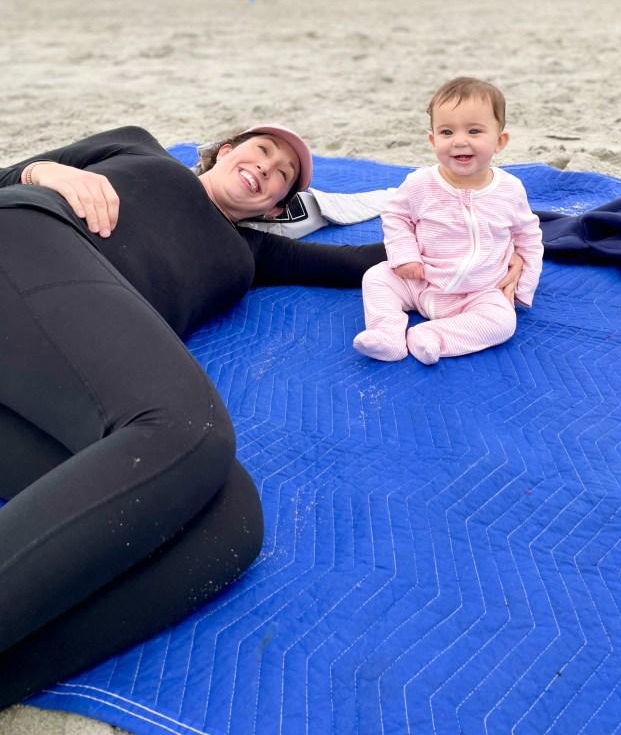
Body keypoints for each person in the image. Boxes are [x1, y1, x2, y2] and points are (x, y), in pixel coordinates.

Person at [0, 121, 525, 707]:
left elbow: (365, 261)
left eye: (283, 177)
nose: (267, 169)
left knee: (229, 525)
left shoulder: (250, 254)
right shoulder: (140, 149)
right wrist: (41, 171)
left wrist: (503, 250)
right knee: (185, 430)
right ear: (225, 152)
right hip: (28, 241)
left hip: (38, 369)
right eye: (263, 151)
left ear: (276, 208)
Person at [354, 77, 543, 365]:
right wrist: (404, 255)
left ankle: (433, 335)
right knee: (377, 277)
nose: (459, 140)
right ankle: (387, 333)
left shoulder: (510, 189)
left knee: (503, 322)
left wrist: (523, 287)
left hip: (478, 291)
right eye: (446, 131)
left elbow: (528, 237)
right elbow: (395, 216)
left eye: (474, 131)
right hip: (421, 280)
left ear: (500, 141)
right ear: (433, 140)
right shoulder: (420, 183)